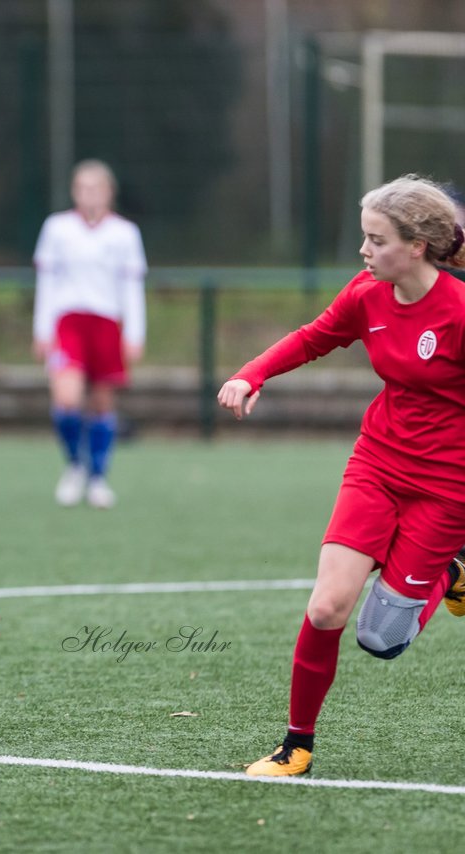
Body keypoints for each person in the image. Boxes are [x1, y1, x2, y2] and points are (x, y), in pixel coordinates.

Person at [218, 174, 465, 777]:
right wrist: (252, 374)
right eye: (363, 237)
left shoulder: (459, 313)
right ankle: (296, 745)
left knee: (381, 640)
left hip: (447, 486)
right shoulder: (366, 295)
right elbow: (313, 338)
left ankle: (450, 573)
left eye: (375, 240)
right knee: (327, 607)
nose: (364, 251)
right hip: (377, 464)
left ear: (417, 247)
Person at [32, 159, 147, 509]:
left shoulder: (125, 233)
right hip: (68, 322)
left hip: (106, 323)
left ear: (109, 193)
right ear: (74, 192)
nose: (89, 195)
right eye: (82, 188)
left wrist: (135, 332)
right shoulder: (57, 228)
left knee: (100, 403)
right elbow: (47, 281)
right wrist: (42, 328)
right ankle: (74, 466)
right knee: (66, 399)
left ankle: (97, 477)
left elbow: (131, 287)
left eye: (96, 188)